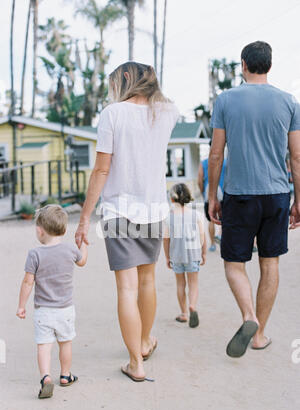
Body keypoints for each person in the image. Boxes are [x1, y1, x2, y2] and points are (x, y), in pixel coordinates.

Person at [75, 62, 179, 382]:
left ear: (123, 79)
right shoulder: (166, 113)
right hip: (154, 210)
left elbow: (102, 170)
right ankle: (145, 342)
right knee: (147, 281)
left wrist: (82, 220)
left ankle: (136, 362)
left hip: (120, 211)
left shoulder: (112, 114)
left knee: (126, 288)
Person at [208, 41, 300, 358]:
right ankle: (259, 334)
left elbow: (216, 153)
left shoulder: (225, 100)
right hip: (276, 193)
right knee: (269, 262)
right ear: (269, 65)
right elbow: (297, 157)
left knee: (234, 263)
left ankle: (248, 315)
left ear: (244, 64)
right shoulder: (289, 102)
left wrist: (212, 196)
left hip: (239, 194)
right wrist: (298, 200)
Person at [17, 205, 88, 399]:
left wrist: (21, 306)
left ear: (40, 231)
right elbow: (82, 262)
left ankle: (46, 377)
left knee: (44, 346)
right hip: (65, 309)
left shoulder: (35, 254)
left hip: (43, 311)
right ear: (64, 230)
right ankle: (65, 375)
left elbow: (27, 282)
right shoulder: (70, 249)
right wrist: (84, 244)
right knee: (65, 343)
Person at [163, 184, 207, 328]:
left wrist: (167, 257)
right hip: (193, 255)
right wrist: (204, 252)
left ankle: (183, 314)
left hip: (176, 256)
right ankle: (192, 306)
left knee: (180, 284)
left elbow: (166, 239)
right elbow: (202, 235)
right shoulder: (196, 215)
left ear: (172, 199)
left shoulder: (169, 218)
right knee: (193, 284)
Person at [198, 149, 226, 252]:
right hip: (223, 193)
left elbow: (199, 180)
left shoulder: (204, 163)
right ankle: (222, 237)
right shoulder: (225, 161)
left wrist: (203, 193)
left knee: (211, 220)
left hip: (209, 193)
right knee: (224, 218)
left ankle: (213, 244)